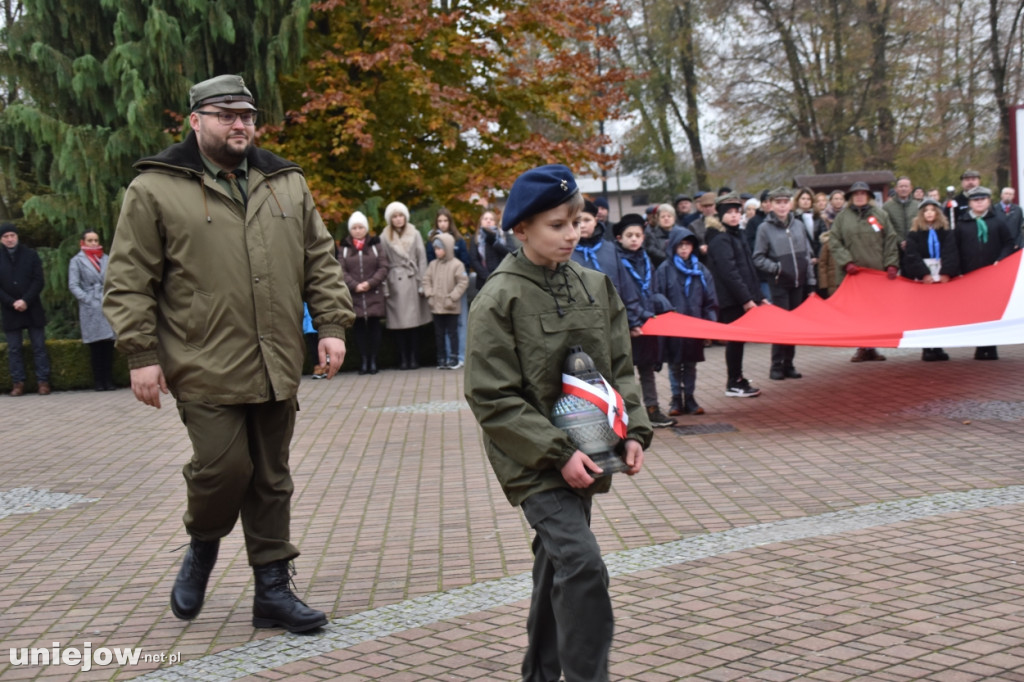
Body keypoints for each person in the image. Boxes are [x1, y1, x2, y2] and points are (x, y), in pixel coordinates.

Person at [103, 75, 354, 633]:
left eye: (247, 115)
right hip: (201, 360)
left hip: (277, 359)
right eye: (225, 114)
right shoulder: (155, 188)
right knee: (223, 468)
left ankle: (272, 590)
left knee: (271, 477)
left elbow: (319, 257)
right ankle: (203, 542)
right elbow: (127, 280)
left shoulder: (286, 181)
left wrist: (331, 324)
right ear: (195, 121)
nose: (239, 124)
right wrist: (141, 354)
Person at [463, 164, 651, 682]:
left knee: (558, 564)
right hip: (533, 460)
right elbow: (492, 397)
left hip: (591, 451)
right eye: (557, 225)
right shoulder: (498, 299)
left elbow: (619, 371)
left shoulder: (596, 286)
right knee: (584, 565)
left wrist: (634, 432)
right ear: (521, 229)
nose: (572, 234)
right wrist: (557, 453)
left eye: (577, 221)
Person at [614, 213, 676, 426]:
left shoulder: (646, 258)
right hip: (628, 324)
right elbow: (621, 294)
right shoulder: (617, 260)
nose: (634, 239)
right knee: (626, 372)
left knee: (648, 369)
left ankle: (652, 408)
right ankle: (629, 414)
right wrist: (633, 321)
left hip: (647, 321)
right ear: (619, 238)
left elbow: (653, 289)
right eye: (629, 235)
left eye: (638, 235)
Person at [828, 181, 899, 362]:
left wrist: (891, 263)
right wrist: (846, 262)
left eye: (863, 193)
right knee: (857, 313)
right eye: (856, 193)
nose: (859, 196)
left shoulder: (881, 215)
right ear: (851, 197)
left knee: (874, 312)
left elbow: (890, 239)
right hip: (853, 275)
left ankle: (872, 347)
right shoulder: (842, 218)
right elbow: (834, 241)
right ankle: (861, 347)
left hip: (876, 273)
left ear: (868, 196)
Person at [705, 193, 766, 397]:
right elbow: (729, 273)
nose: (733, 216)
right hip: (731, 300)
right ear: (721, 215)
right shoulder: (720, 239)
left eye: (736, 212)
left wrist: (757, 296)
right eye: (729, 213)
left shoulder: (736, 236)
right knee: (735, 341)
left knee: (739, 341)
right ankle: (734, 381)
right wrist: (746, 300)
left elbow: (748, 269)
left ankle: (737, 378)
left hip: (743, 297)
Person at [654, 227, 718, 416]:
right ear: (673, 246)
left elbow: (710, 300)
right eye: (680, 245)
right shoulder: (665, 269)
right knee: (675, 364)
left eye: (687, 245)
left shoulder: (700, 270)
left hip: (694, 324)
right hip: (673, 326)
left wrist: (710, 326)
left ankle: (689, 398)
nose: (684, 249)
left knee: (690, 364)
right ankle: (676, 399)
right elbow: (658, 295)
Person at [753, 188, 814, 381]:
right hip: (779, 283)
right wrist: (777, 268)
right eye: (778, 202)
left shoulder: (798, 225)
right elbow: (758, 257)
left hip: (798, 282)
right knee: (781, 326)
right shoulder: (765, 228)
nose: (781, 206)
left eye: (785, 202)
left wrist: (811, 282)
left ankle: (789, 364)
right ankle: (776, 365)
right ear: (770, 204)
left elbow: (807, 255)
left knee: (793, 326)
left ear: (790, 204)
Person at [955, 186, 1015, 360]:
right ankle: (980, 345)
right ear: (970, 203)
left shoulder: (998, 222)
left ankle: (992, 345)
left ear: (989, 201)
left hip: (993, 274)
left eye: (983, 199)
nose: (979, 202)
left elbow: (1009, 243)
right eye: (975, 200)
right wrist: (958, 270)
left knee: (992, 310)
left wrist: (1001, 259)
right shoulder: (962, 224)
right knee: (976, 311)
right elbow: (955, 248)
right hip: (970, 274)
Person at [902, 198, 960, 362]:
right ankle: (927, 347)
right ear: (921, 214)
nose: (929, 213)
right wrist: (923, 273)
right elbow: (912, 255)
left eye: (932, 210)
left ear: (937, 213)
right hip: (924, 278)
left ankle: (939, 345)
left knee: (939, 312)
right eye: (926, 210)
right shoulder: (914, 233)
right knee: (924, 312)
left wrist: (946, 272)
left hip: (941, 275)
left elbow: (951, 251)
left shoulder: (946, 232)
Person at [0, 223, 51, 396]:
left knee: (39, 346)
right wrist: (11, 302)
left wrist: (25, 300)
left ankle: (43, 382)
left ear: (17, 236)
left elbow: (38, 281)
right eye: (6, 236)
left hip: (32, 307)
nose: (9, 239)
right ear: (1, 239)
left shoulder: (31, 255)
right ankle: (18, 383)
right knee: (14, 349)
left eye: (12, 235)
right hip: (10, 310)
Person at [380, 201, 432, 370]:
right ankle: (402, 359)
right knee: (398, 325)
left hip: (412, 279)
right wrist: (385, 286)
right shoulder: (384, 236)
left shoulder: (415, 233)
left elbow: (421, 258)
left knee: (414, 325)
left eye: (401, 215)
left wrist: (423, 283)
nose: (398, 219)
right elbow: (383, 262)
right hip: (395, 280)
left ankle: (414, 358)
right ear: (390, 219)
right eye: (394, 216)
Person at [339, 211, 390, 375]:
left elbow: (383, 267)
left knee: (374, 328)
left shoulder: (376, 245)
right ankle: (363, 361)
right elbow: (341, 270)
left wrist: (370, 283)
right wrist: (354, 285)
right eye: (354, 227)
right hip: (355, 295)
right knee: (359, 329)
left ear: (366, 229)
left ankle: (373, 361)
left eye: (361, 227)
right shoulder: (345, 248)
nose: (358, 230)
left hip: (373, 293)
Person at [69, 229, 117, 391]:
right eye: (90, 240)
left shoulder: (106, 259)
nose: (94, 243)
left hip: (106, 302)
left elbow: (114, 279)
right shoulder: (77, 261)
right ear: (83, 242)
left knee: (109, 345)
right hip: (90, 305)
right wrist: (87, 299)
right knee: (96, 346)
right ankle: (99, 381)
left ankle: (109, 380)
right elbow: (73, 285)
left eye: (96, 240)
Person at [426, 208, 470, 367]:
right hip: (440, 290)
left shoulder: (459, 240)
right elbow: (430, 265)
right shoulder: (432, 241)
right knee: (444, 325)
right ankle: (446, 357)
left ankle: (460, 356)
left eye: (446, 221)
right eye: (440, 221)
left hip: (457, 288)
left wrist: (455, 281)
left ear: (450, 222)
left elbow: (465, 262)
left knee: (460, 322)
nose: (443, 224)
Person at [882, 175, 919, 244]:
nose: (903, 189)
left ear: (911, 188)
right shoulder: (887, 206)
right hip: (894, 245)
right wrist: (899, 241)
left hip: (915, 244)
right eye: (901, 186)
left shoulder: (918, 206)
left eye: (906, 186)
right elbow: (886, 227)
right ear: (896, 189)